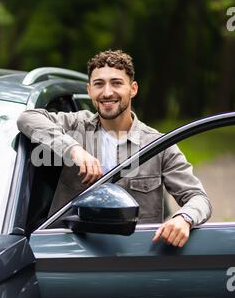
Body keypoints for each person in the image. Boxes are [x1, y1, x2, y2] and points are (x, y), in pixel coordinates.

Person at [17, 49, 212, 247]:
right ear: (89, 90)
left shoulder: (159, 145)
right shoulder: (75, 126)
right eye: (99, 84)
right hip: (70, 253)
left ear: (133, 89)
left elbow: (199, 198)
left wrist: (184, 218)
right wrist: (73, 149)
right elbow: (28, 118)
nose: (107, 92)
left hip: (132, 258)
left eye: (116, 83)